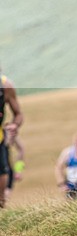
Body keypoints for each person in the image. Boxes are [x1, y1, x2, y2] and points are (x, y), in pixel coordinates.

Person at [0, 71, 24, 209]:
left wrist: (19, 169)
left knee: (3, 198)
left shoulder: (6, 87)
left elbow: (21, 151)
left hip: (7, 169)